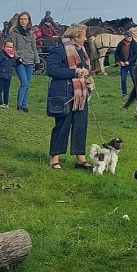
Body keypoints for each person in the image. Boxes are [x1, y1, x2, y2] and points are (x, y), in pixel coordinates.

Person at [46, 24, 93, 170]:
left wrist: (86, 72)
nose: (86, 38)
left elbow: (84, 68)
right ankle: (54, 159)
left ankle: (80, 159)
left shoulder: (81, 51)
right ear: (75, 37)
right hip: (64, 94)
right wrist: (74, 72)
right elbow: (52, 70)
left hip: (80, 95)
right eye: (83, 36)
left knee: (81, 126)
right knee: (62, 126)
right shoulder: (59, 50)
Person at [10, 11, 39, 112]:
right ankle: (19, 105)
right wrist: (17, 57)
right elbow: (13, 46)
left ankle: (24, 105)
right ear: (18, 20)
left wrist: (37, 60)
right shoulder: (14, 32)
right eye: (21, 19)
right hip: (20, 60)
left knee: (27, 84)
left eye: (25, 19)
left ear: (28, 20)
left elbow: (34, 46)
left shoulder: (31, 32)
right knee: (24, 83)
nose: (23, 21)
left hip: (29, 59)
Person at [114, 30, 137, 96]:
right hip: (123, 65)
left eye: (130, 36)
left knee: (134, 78)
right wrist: (120, 61)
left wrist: (129, 61)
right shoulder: (120, 44)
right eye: (128, 37)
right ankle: (124, 93)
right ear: (125, 36)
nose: (130, 38)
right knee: (123, 79)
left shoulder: (134, 44)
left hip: (132, 65)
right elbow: (116, 54)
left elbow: (136, 54)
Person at [0, 39, 15, 108]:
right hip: (1, 75)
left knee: (6, 90)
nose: (9, 48)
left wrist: (19, 62)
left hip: (8, 75)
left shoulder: (11, 56)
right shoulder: (1, 54)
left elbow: (13, 64)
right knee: (0, 90)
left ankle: (6, 103)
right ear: (4, 46)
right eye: (7, 47)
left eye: (10, 47)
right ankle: (0, 103)